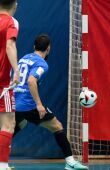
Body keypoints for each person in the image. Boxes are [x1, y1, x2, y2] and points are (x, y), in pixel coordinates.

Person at [13, 34, 88, 170]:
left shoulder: (24, 59)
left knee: (20, 124)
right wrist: (39, 105)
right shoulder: (42, 64)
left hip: (15, 101)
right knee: (57, 126)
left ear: (34, 46)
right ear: (48, 48)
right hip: (28, 104)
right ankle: (70, 162)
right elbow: (31, 81)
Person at [0, 0, 19, 169]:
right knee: (8, 123)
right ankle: (2, 165)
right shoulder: (11, 22)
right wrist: (17, 71)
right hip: (2, 82)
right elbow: (9, 44)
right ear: (15, 5)